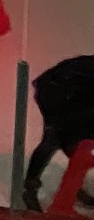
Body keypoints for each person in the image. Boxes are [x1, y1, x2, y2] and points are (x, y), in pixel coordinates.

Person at [24, 56, 94, 210]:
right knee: (52, 140)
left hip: (76, 97)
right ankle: (29, 189)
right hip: (54, 93)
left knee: (78, 142)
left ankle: (72, 184)